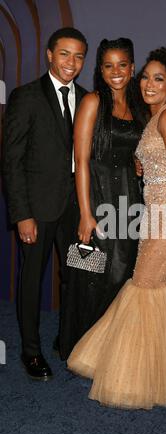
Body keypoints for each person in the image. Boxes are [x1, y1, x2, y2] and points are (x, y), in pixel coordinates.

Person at [67, 47, 166, 410]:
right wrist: (142, 167)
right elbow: (157, 162)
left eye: (158, 78)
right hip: (152, 216)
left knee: (144, 288)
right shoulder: (153, 117)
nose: (149, 84)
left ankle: (142, 378)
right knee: (152, 290)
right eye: (146, 77)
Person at [2, 27, 88, 380]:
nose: (72, 62)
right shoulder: (27, 96)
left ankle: (66, 342)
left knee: (75, 276)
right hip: (37, 208)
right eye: (65, 54)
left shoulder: (87, 99)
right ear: (50, 55)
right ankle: (31, 352)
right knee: (32, 280)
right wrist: (22, 215)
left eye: (79, 56)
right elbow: (12, 159)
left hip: (76, 207)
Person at [59, 38, 145, 360]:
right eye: (108, 66)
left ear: (132, 67)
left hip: (129, 202)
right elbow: (80, 161)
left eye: (122, 64)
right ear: (100, 70)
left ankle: (113, 354)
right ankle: (83, 352)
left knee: (123, 274)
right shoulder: (93, 102)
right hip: (97, 198)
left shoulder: (139, 107)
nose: (116, 72)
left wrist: (138, 167)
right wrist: (85, 213)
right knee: (93, 275)